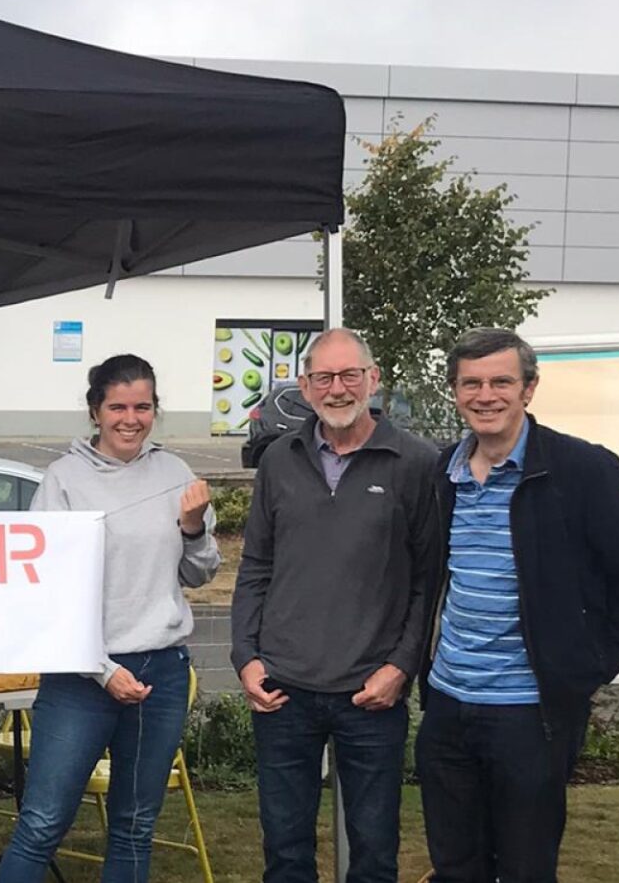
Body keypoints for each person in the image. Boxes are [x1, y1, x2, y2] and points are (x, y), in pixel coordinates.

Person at [417, 328, 619, 882]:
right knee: (456, 866)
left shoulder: (584, 471)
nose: (486, 396)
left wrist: (583, 668)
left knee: (527, 868)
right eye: (471, 383)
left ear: (529, 389)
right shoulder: (442, 474)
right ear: (455, 392)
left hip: (531, 714)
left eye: (501, 381)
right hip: (449, 704)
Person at [0, 353, 218, 883]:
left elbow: (200, 573)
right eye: (117, 406)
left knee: (136, 826)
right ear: (95, 410)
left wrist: (192, 528)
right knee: (43, 822)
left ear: (155, 411)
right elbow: (47, 591)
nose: (130, 418)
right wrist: (102, 669)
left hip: (160, 673)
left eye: (142, 407)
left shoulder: (175, 473)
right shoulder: (64, 480)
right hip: (82, 677)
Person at [230, 329, 442, 883]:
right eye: (324, 377)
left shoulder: (416, 462)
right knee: (285, 850)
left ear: (373, 380)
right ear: (305, 387)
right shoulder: (279, 459)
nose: (338, 388)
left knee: (374, 853)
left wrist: (401, 667)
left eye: (350, 375)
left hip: (370, 694)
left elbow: (427, 579)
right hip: (282, 689)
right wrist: (245, 658)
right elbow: (255, 566)